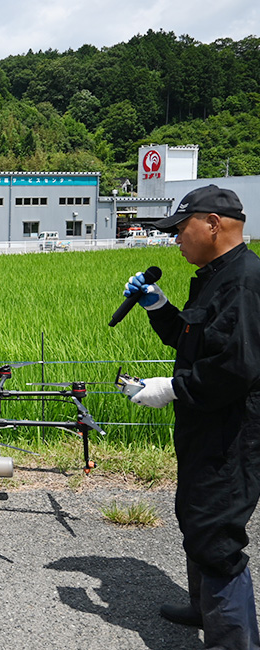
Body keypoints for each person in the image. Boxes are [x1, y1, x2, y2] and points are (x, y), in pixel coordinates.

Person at [125, 184, 260, 649]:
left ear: (213, 224)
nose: (175, 239)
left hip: (231, 434)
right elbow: (197, 342)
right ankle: (204, 608)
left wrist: (171, 388)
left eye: (181, 229)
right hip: (204, 428)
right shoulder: (213, 276)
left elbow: (236, 367)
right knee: (195, 515)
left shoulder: (245, 282)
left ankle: (233, 641)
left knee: (217, 538)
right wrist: (160, 309)